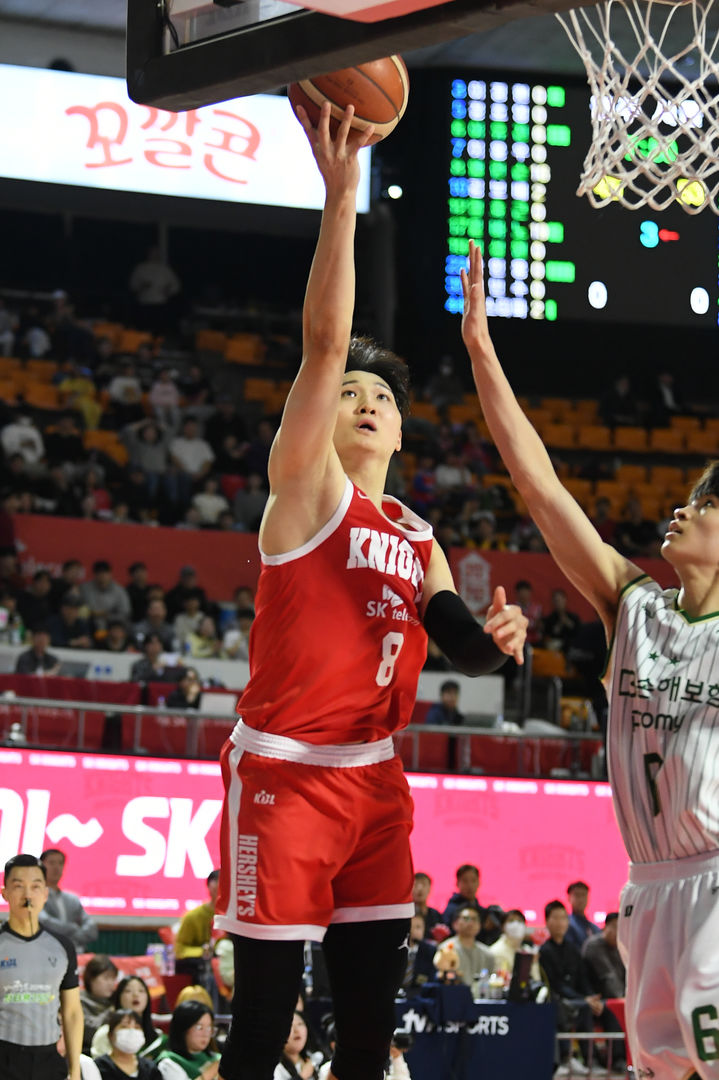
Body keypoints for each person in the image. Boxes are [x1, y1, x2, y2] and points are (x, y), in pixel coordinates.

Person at [213, 104, 527, 1080]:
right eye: (351, 394)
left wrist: (496, 642)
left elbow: (457, 644)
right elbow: (322, 344)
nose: (362, 401)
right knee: (263, 1028)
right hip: (285, 776)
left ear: (398, 435)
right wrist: (342, 193)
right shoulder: (308, 495)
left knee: (362, 1029)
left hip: (376, 783)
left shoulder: (417, 534)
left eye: (379, 398)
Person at [463, 236, 719, 1080]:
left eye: (703, 506)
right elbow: (540, 489)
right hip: (645, 886)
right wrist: (479, 348)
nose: (680, 511)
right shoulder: (631, 602)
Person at [0, 853, 83, 1080]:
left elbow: (73, 1012)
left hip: (48, 1060)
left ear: (45, 894)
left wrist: (75, 1072)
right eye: (18, 886)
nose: (28, 894)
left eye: (36, 886)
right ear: (4, 893)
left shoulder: (62, 946)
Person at [538, 900, 602, 1077]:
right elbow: (555, 984)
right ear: (547, 921)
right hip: (557, 998)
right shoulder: (544, 951)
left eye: (563, 918)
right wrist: (584, 1000)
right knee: (576, 1007)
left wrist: (590, 996)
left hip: (578, 997)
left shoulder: (573, 949)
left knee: (595, 1007)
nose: (560, 922)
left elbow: (582, 978)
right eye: (555, 918)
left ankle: (592, 1059)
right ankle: (566, 1057)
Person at [38, 848, 99, 950]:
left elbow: (92, 929)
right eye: (51, 863)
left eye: (60, 863)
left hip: (76, 954)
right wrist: (74, 928)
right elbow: (45, 923)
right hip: (47, 952)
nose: (56, 867)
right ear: (41, 867)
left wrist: (69, 934)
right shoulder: (36, 897)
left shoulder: (73, 899)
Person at [92, 976, 163, 1059]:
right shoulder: (105, 1033)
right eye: (128, 991)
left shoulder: (157, 1037)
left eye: (141, 991)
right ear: (118, 997)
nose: (136, 995)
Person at [174, 871, 221, 985]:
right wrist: (203, 952)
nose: (219, 887)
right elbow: (180, 949)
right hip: (201, 967)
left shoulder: (238, 916)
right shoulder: (192, 917)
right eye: (215, 882)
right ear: (209, 887)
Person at [155, 1001, 220, 1080]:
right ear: (182, 1029)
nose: (206, 1034)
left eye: (209, 1028)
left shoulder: (216, 1057)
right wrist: (211, 1072)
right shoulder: (169, 1062)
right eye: (199, 1027)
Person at [433, 907, 495, 988]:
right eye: (466, 918)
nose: (470, 923)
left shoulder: (487, 953)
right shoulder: (446, 949)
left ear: (480, 925)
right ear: (455, 924)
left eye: (474, 919)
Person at [94, 1009, 163, 1080]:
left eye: (137, 1027)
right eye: (124, 1027)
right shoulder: (99, 1067)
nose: (131, 1031)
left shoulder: (150, 1068)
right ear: (110, 1035)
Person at [80, 955, 118, 1054]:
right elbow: (89, 1032)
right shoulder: (78, 1000)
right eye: (106, 978)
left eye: (113, 979)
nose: (111, 983)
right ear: (91, 979)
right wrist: (111, 1013)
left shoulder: (115, 1001)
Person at [273, 1011, 320, 1080]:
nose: (296, 1030)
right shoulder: (275, 1068)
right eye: (289, 1025)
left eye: (300, 1024)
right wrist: (302, 1076)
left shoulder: (313, 1057)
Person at [400, 913, 437, 997]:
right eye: (410, 926)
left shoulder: (430, 950)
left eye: (418, 927)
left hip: (420, 996)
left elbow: (431, 980)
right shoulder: (395, 950)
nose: (413, 931)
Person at [441, 863, 485, 931]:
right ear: (457, 883)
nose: (470, 885)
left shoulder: (482, 911)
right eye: (465, 881)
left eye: (473, 880)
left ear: (479, 882)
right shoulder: (450, 910)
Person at [564, 880, 600, 952]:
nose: (581, 899)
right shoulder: (565, 924)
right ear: (569, 898)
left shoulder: (595, 928)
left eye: (584, 895)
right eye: (577, 895)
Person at [411, 872, 443, 939]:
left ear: (430, 889)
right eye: (415, 885)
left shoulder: (436, 915)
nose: (420, 888)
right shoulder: (406, 914)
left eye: (424, 884)